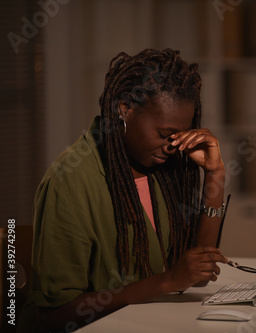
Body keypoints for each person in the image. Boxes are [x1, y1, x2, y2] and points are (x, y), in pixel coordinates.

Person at [19, 48, 228, 332]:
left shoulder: (165, 167)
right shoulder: (71, 179)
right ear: (124, 109)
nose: (173, 146)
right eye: (165, 134)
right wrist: (166, 282)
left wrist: (215, 175)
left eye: (179, 136)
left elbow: (197, 275)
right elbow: (52, 316)